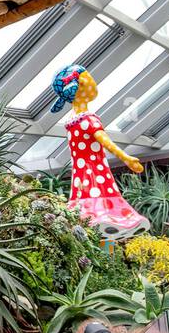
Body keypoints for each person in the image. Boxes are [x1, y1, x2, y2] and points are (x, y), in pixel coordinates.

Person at [50, 65, 150, 239]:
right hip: (96, 172)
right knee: (103, 201)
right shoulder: (88, 119)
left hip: (80, 176)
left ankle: (99, 230)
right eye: (90, 80)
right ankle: (110, 225)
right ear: (78, 87)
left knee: (84, 206)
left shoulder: (71, 123)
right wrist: (125, 158)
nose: (94, 84)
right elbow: (105, 141)